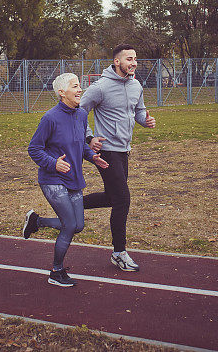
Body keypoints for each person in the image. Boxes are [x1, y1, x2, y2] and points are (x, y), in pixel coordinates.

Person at [23, 72, 109, 287]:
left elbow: (80, 146)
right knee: (69, 224)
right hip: (52, 179)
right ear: (62, 92)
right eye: (75, 86)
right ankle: (56, 271)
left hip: (73, 178)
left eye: (80, 86)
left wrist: (92, 157)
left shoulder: (81, 115)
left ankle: (37, 222)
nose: (80, 90)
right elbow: (34, 149)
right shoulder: (50, 118)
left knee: (78, 225)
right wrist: (54, 163)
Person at [80, 44, 156, 272]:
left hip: (124, 150)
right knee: (123, 199)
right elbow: (78, 112)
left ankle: (72, 203)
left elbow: (138, 110)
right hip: (106, 150)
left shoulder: (136, 86)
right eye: (129, 59)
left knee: (113, 198)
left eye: (135, 59)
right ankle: (119, 253)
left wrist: (145, 120)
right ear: (117, 62)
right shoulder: (100, 87)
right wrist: (89, 138)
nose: (133, 63)